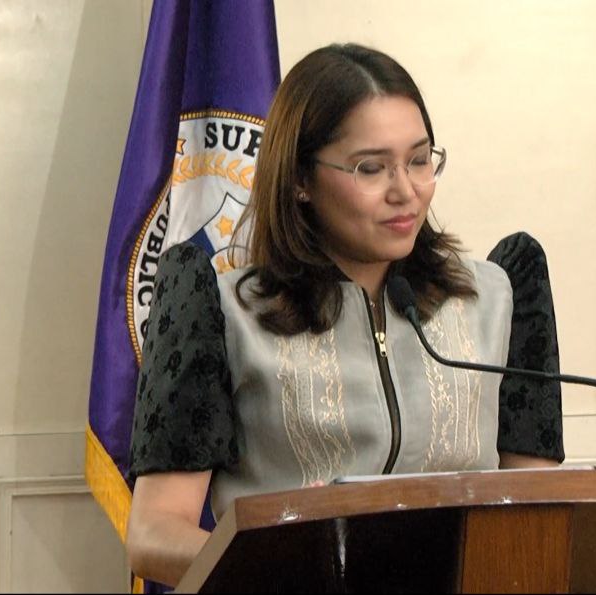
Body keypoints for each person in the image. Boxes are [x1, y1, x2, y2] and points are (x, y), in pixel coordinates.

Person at [124, 43, 565, 586]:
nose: (405, 192)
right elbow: (154, 534)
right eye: (371, 168)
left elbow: (536, 519)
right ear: (300, 179)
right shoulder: (221, 313)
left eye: (420, 160)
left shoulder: (500, 297)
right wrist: (297, 574)